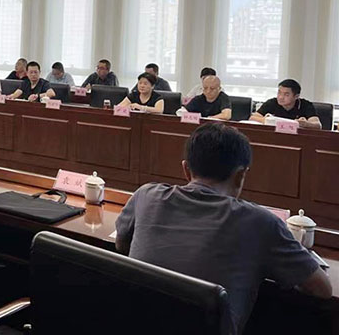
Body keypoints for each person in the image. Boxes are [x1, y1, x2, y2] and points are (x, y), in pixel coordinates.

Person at [115, 123, 331, 334]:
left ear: (186, 169)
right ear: (240, 175)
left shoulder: (146, 195)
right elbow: (322, 289)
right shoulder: (261, 222)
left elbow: (121, 245)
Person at [250, 79, 322, 129]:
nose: (281, 97)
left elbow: (318, 125)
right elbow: (252, 118)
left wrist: (306, 124)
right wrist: (267, 120)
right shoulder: (272, 103)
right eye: (279, 93)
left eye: (286, 94)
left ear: (296, 96)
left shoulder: (305, 105)